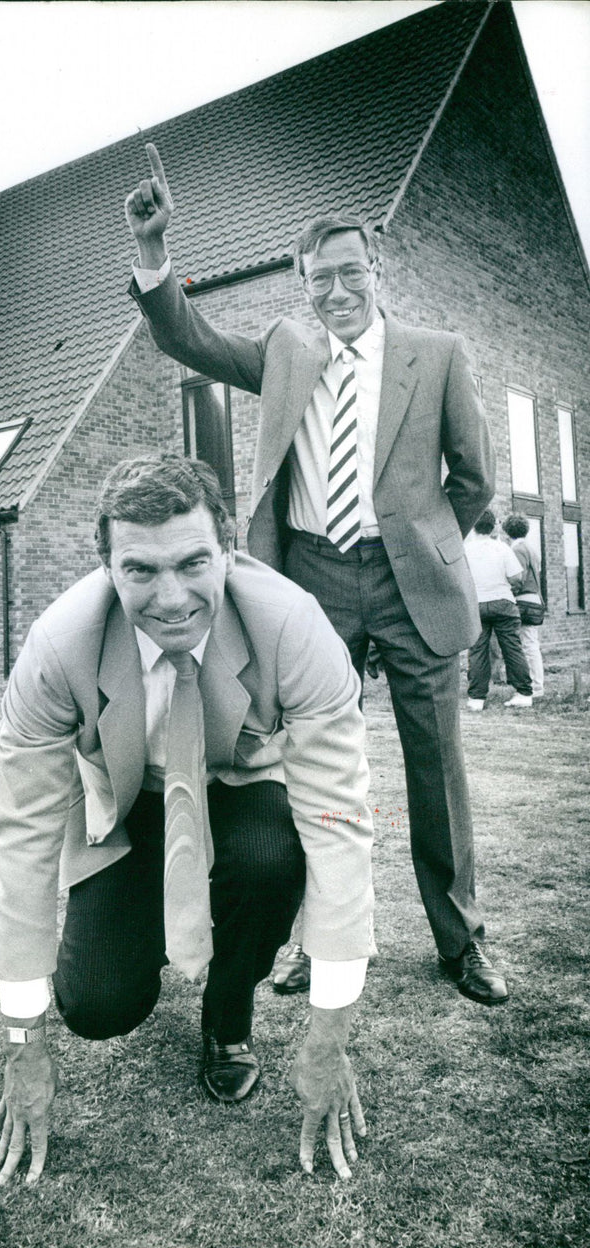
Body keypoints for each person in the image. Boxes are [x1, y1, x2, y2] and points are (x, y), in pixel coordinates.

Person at [124, 143, 508, 1007]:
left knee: (434, 767)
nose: (334, 293)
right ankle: (303, 940)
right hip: (314, 583)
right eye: (317, 281)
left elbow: (474, 476)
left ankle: (462, 942)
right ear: (303, 287)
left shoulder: (437, 353)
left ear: (377, 269)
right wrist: (154, 254)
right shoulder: (287, 351)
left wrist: (432, 544)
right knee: (305, 768)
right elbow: (190, 338)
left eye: (348, 274)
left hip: (414, 588)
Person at [0, 453, 377, 1187]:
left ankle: (226, 1019)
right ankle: (154, 933)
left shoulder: (292, 624)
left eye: (194, 562)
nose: (170, 598)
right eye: (140, 570)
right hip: (130, 806)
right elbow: (22, 836)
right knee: (96, 1006)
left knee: (271, 860)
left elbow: (338, 819)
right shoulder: (56, 646)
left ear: (227, 548)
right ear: (107, 565)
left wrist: (330, 1036)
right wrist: (23, 1044)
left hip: (239, 788)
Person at [464, 510, 533, 709]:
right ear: (494, 526)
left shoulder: (465, 549)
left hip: (476, 603)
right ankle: (524, 693)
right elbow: (517, 578)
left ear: (473, 525)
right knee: (512, 647)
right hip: (503, 602)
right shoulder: (502, 548)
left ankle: (476, 698)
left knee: (477, 650)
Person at [502, 514, 545, 698]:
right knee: (531, 643)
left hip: (523, 600)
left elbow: (517, 577)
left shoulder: (517, 549)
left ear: (507, 531)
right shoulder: (531, 549)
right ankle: (535, 684)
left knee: (527, 645)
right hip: (534, 598)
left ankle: (535, 686)